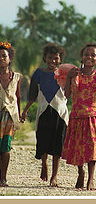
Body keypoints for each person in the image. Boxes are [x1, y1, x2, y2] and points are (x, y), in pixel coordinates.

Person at [62, 43, 96, 191]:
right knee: (78, 147)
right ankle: (80, 172)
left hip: (93, 116)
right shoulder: (74, 73)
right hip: (76, 115)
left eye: (93, 55)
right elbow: (67, 94)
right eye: (87, 54)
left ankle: (91, 179)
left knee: (92, 148)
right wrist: (68, 78)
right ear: (82, 56)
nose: (89, 57)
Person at [21, 43, 68, 187]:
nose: (53, 61)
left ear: (60, 60)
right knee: (42, 140)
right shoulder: (38, 73)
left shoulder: (65, 74)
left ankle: (54, 176)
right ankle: (44, 164)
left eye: (56, 58)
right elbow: (32, 95)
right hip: (43, 111)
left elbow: (72, 92)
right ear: (44, 58)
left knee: (57, 145)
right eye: (50, 58)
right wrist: (25, 110)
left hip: (60, 113)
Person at [0, 41, 22, 187]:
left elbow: (18, 97)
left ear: (10, 59)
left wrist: (19, 115)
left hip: (9, 117)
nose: (1, 58)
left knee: (6, 148)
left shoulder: (16, 77)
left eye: (3, 56)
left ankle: (3, 178)